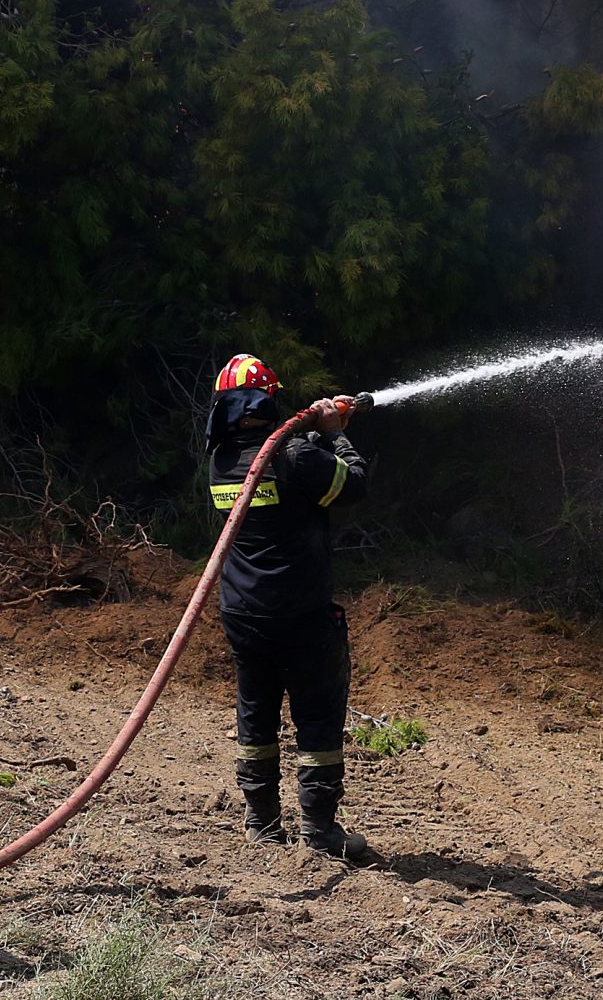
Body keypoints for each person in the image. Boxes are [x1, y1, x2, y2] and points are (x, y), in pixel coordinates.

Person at [205, 353, 374, 862]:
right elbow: (354, 483)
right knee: (317, 718)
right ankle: (320, 833)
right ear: (269, 400)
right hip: (301, 615)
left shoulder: (220, 459)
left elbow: (289, 473)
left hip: (243, 614)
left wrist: (315, 433)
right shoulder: (295, 457)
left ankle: (262, 824)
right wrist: (334, 433)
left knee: (255, 716)